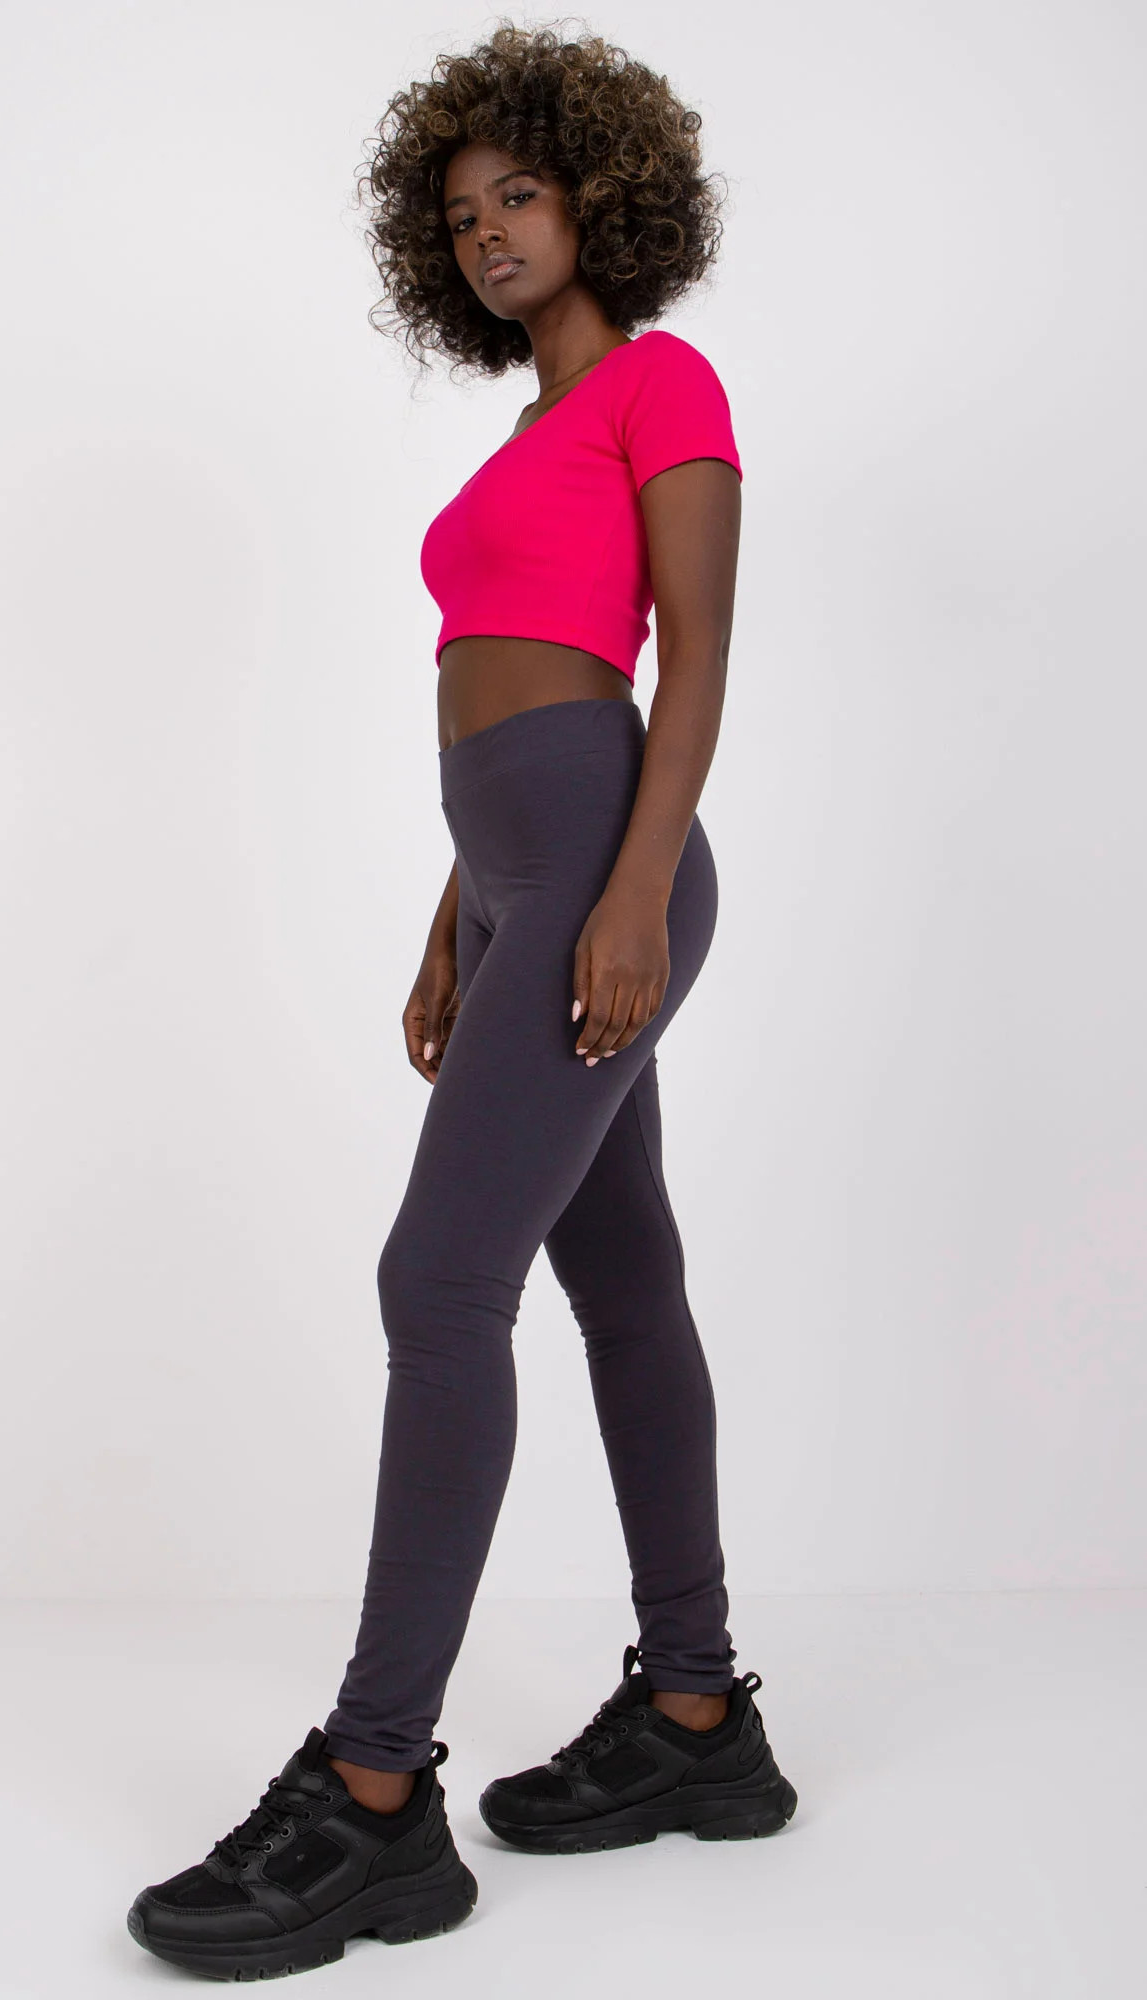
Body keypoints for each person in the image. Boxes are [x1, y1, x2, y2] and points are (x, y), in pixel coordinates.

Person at [128, 21, 796, 1980]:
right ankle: (697, 1713)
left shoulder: (664, 383)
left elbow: (687, 668)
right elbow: (508, 685)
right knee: (625, 1282)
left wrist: (632, 892)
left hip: (604, 875)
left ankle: (371, 1792)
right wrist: (459, 924)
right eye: (460, 212)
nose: (490, 229)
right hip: (519, 888)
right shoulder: (524, 435)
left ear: (604, 197)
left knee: (439, 1284)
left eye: (522, 192)